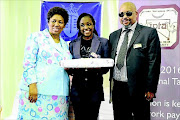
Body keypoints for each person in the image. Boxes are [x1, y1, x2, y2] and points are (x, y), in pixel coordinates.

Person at [17, 7, 72, 119]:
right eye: (53, 21)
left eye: (60, 22)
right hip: (37, 92)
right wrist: (32, 85)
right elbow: (28, 62)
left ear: (64, 25)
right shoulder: (36, 37)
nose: (56, 24)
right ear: (48, 22)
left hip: (59, 94)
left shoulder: (65, 45)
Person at [109, 2, 161, 120]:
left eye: (128, 13)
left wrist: (150, 88)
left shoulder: (148, 33)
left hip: (139, 88)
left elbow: (154, 62)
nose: (125, 17)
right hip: (118, 87)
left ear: (136, 14)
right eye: (121, 14)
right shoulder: (113, 36)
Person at [69, 13, 109, 120]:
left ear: (94, 25)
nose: (86, 27)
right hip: (77, 90)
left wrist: (97, 67)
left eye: (89, 24)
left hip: (95, 89)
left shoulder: (103, 42)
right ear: (78, 27)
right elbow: (70, 68)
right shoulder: (72, 44)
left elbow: (106, 68)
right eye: (82, 25)